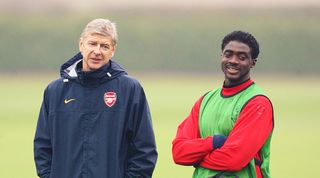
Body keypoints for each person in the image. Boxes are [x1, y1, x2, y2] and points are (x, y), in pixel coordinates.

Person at [34, 18, 158, 178]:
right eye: (92, 44)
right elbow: (43, 146)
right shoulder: (55, 91)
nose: (97, 51)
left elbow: (144, 150)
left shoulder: (130, 89)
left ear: (113, 50)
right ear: (81, 44)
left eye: (105, 46)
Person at [172, 31, 274, 178]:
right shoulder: (205, 100)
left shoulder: (257, 103)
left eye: (242, 57)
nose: (233, 60)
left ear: (253, 62)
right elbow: (179, 152)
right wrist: (214, 142)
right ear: (221, 56)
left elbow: (234, 159)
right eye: (228, 54)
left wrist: (197, 159)